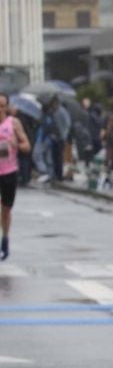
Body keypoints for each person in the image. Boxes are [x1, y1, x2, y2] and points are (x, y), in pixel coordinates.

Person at [0, 93, 32, 260]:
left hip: (9, 172)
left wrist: (16, 145)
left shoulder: (13, 123)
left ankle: (5, 238)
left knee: (6, 210)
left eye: (2, 106)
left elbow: (27, 146)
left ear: (6, 107)